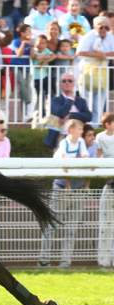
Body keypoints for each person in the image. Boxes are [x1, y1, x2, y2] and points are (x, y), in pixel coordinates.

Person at [39, 119, 89, 268]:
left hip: (77, 189)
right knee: (52, 224)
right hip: (61, 189)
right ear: (71, 130)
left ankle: (65, 262)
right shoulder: (63, 144)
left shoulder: (81, 142)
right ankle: (44, 260)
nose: (81, 131)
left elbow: (85, 159)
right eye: (79, 129)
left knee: (72, 228)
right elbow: (62, 162)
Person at [76, 15, 114, 125]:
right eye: (100, 27)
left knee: (99, 103)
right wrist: (95, 55)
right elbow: (79, 53)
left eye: (106, 27)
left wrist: (104, 55)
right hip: (87, 71)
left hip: (102, 73)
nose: (103, 30)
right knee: (86, 101)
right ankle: (85, 125)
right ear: (95, 26)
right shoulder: (88, 36)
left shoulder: (111, 37)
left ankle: (95, 125)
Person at [43, 73, 92, 149]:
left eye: (70, 81)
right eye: (64, 81)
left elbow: (89, 116)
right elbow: (61, 113)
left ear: (74, 84)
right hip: (61, 135)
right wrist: (70, 100)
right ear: (60, 84)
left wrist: (71, 116)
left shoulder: (81, 101)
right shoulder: (55, 100)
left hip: (78, 136)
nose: (67, 83)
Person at [96, 113, 114, 267]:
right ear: (107, 124)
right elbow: (98, 156)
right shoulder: (100, 137)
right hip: (109, 183)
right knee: (106, 224)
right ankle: (104, 260)